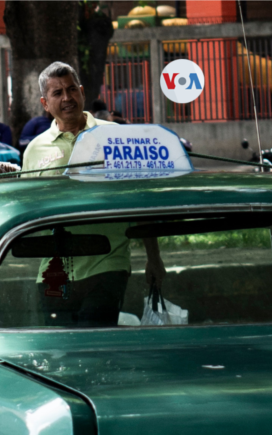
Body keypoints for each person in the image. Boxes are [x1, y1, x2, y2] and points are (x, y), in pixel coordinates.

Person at [23, 61, 165, 327]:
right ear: (45, 103)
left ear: (82, 91)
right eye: (57, 93)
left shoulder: (117, 137)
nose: (67, 98)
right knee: (59, 355)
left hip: (107, 265)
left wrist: (154, 258)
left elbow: (141, 200)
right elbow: (27, 211)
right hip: (54, 274)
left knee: (93, 346)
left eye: (71, 89)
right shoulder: (34, 150)